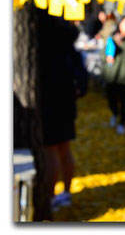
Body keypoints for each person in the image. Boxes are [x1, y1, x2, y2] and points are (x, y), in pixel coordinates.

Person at [37, 12, 88, 211]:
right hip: (66, 102)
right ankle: (65, 192)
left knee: (50, 150)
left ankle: (50, 197)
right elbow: (80, 72)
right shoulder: (68, 44)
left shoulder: (43, 46)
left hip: (50, 102)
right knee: (64, 150)